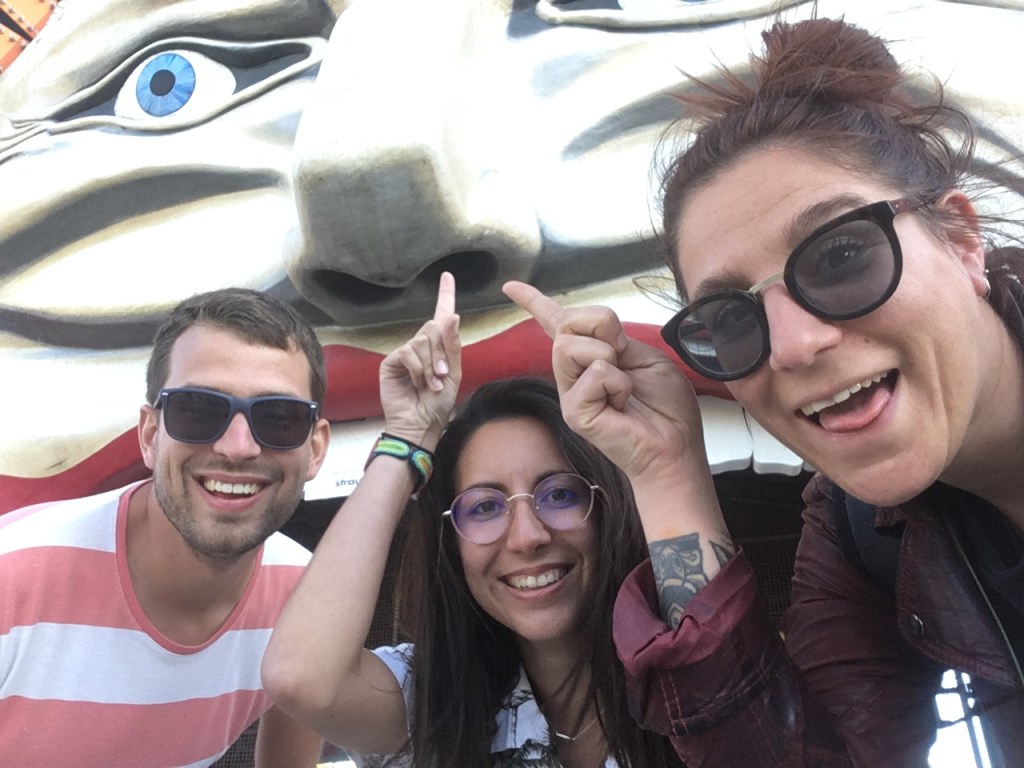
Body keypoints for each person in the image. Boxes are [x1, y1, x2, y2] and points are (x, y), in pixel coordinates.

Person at [503, 15, 1024, 768]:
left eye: (842, 256)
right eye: (729, 317)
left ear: (963, 242)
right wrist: (666, 474)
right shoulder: (857, 530)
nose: (793, 344)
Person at [261, 273, 682, 767]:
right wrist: (408, 437)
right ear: (452, 542)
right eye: (484, 507)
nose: (527, 536)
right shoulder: (437, 699)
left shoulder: (693, 675)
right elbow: (301, 678)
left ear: (608, 507)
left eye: (559, 494)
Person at [0, 288, 328, 766]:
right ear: (151, 435)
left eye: (279, 418)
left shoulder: (309, 598)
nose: (238, 447)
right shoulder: (12, 580)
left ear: (315, 450)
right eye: (199, 411)